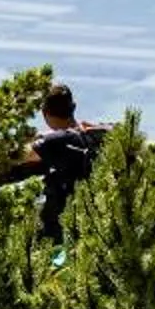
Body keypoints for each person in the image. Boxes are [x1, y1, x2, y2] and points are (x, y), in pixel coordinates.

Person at [29, 84, 109, 241]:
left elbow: (23, 154)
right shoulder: (93, 135)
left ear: (45, 113)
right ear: (73, 107)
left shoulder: (55, 141)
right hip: (92, 223)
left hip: (60, 228)